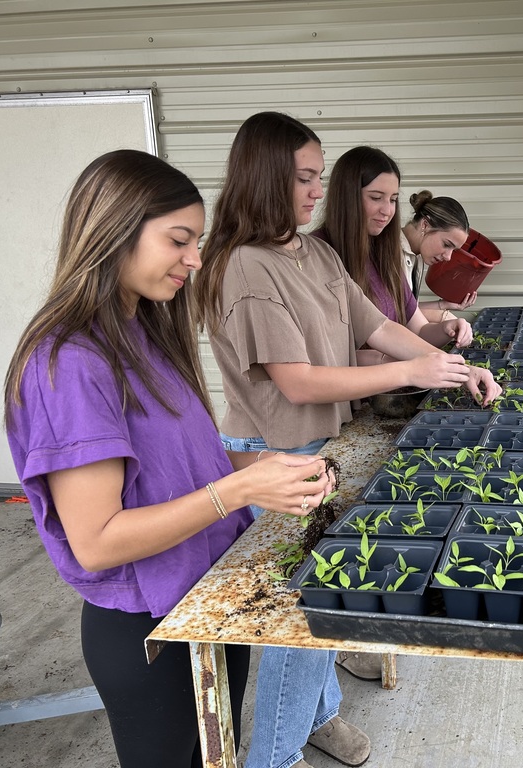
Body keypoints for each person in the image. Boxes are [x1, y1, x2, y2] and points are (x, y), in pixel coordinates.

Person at [2, 149, 335, 768]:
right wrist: (235, 494)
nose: (196, 259)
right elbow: (97, 541)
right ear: (112, 231)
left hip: (207, 599)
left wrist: (262, 473)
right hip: (147, 629)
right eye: (178, 240)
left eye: (198, 241)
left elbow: (179, 469)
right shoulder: (71, 362)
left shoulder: (147, 332)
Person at [194, 111, 501, 768]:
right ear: (267, 177)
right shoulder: (245, 267)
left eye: (317, 176)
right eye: (304, 178)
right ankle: (272, 757)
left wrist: (453, 365)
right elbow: (298, 382)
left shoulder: (315, 252)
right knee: (300, 620)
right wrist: (415, 369)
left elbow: (380, 327)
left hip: (321, 449)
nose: (314, 190)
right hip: (274, 458)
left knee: (327, 598)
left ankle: (320, 716)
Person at [312, 145, 473, 365]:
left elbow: (418, 329)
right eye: (376, 197)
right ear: (347, 196)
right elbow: (324, 355)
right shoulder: (316, 253)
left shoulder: (385, 253)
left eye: (393, 199)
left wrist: (448, 329)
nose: (387, 211)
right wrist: (400, 364)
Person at [400, 189, 477, 320]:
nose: (448, 257)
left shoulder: (416, 256)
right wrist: (443, 317)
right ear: (425, 224)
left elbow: (408, 308)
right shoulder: (390, 254)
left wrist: (444, 304)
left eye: (454, 250)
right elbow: (395, 316)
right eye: (447, 245)